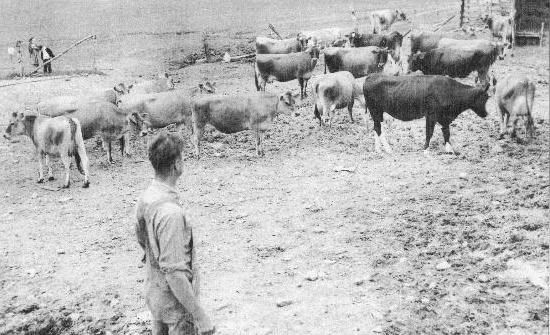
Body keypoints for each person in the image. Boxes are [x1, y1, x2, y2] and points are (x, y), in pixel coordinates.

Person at [136, 133, 215, 335]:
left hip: (155, 294)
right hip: (176, 305)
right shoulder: (171, 214)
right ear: (177, 165)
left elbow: (142, 240)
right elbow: (174, 274)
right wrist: (200, 316)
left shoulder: (147, 198)